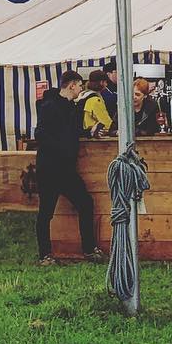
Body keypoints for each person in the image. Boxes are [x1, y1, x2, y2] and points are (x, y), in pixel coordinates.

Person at [33, 71, 103, 264]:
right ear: (72, 85)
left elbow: (72, 131)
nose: (81, 89)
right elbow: (40, 134)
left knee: (85, 203)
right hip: (50, 167)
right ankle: (45, 254)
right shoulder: (49, 106)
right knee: (46, 211)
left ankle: (88, 249)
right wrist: (62, 148)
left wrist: (89, 132)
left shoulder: (71, 107)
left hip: (65, 168)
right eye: (80, 85)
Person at [81, 72, 112, 136]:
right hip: (93, 137)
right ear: (101, 82)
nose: (106, 85)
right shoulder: (95, 100)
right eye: (106, 82)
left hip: (83, 135)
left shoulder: (83, 95)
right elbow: (106, 122)